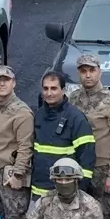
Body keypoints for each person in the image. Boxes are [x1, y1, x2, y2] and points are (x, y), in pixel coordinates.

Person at [68, 55, 110, 219]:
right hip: (78, 167)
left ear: (99, 72)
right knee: (78, 217)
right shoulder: (73, 99)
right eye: (83, 71)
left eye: (92, 70)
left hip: (102, 168)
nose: (88, 75)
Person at [30, 71, 96, 200]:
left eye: (54, 88)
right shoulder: (38, 115)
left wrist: (80, 189)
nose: (49, 93)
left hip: (66, 191)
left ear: (63, 90)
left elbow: (87, 156)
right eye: (46, 88)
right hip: (39, 191)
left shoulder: (76, 118)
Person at [0, 65, 33, 219]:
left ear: (14, 83)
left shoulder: (22, 112)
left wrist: (18, 175)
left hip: (11, 175)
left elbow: (26, 146)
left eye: (7, 80)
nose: (2, 84)